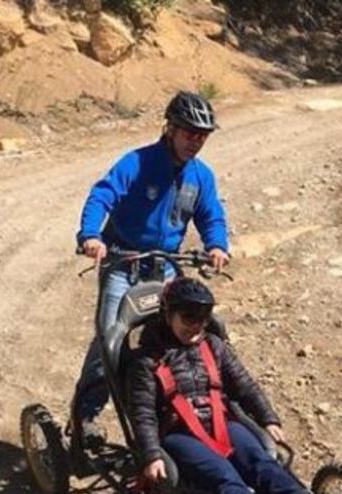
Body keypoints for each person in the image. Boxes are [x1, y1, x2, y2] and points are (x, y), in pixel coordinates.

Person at [74, 91, 231, 448]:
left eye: (203, 135)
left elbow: (211, 215)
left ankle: (170, 416)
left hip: (167, 268)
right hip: (122, 264)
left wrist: (217, 244)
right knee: (109, 344)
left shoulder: (200, 176)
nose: (196, 141)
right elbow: (102, 195)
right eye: (190, 132)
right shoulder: (137, 163)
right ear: (171, 128)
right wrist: (91, 236)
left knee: (178, 340)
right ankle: (86, 418)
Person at [128, 278, 336, 494]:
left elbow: (245, 386)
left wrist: (267, 418)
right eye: (188, 317)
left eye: (203, 318)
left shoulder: (213, 346)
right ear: (168, 315)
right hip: (177, 434)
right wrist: (151, 455)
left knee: (260, 460)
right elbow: (142, 413)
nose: (196, 326)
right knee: (223, 474)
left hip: (219, 421)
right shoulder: (146, 361)